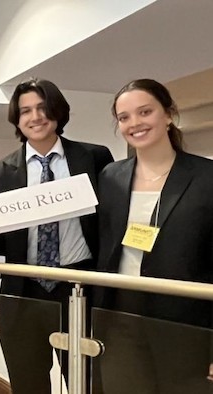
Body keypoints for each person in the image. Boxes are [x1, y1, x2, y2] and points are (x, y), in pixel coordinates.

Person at [0, 78, 113, 394]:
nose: (35, 117)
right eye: (26, 110)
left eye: (43, 108)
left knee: (88, 384)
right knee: (28, 384)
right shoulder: (1, 171)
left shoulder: (94, 158)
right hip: (22, 295)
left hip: (79, 290)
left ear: (57, 111)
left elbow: (109, 224)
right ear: (17, 119)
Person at [93, 79, 213, 394]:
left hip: (185, 324)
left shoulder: (206, 177)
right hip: (119, 319)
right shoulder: (111, 176)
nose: (135, 123)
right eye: (124, 117)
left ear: (169, 114)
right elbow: (104, 248)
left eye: (145, 112)